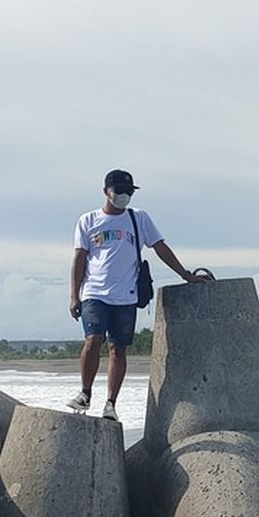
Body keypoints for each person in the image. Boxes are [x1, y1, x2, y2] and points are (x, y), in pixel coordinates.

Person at [68, 169, 209, 421]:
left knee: (117, 349)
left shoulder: (139, 219)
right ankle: (85, 392)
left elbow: (160, 248)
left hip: (126, 296)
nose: (123, 196)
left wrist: (185, 275)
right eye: (118, 192)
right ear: (106, 192)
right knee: (93, 340)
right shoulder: (88, 221)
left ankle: (110, 403)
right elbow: (79, 258)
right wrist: (74, 295)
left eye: (128, 192)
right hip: (94, 292)